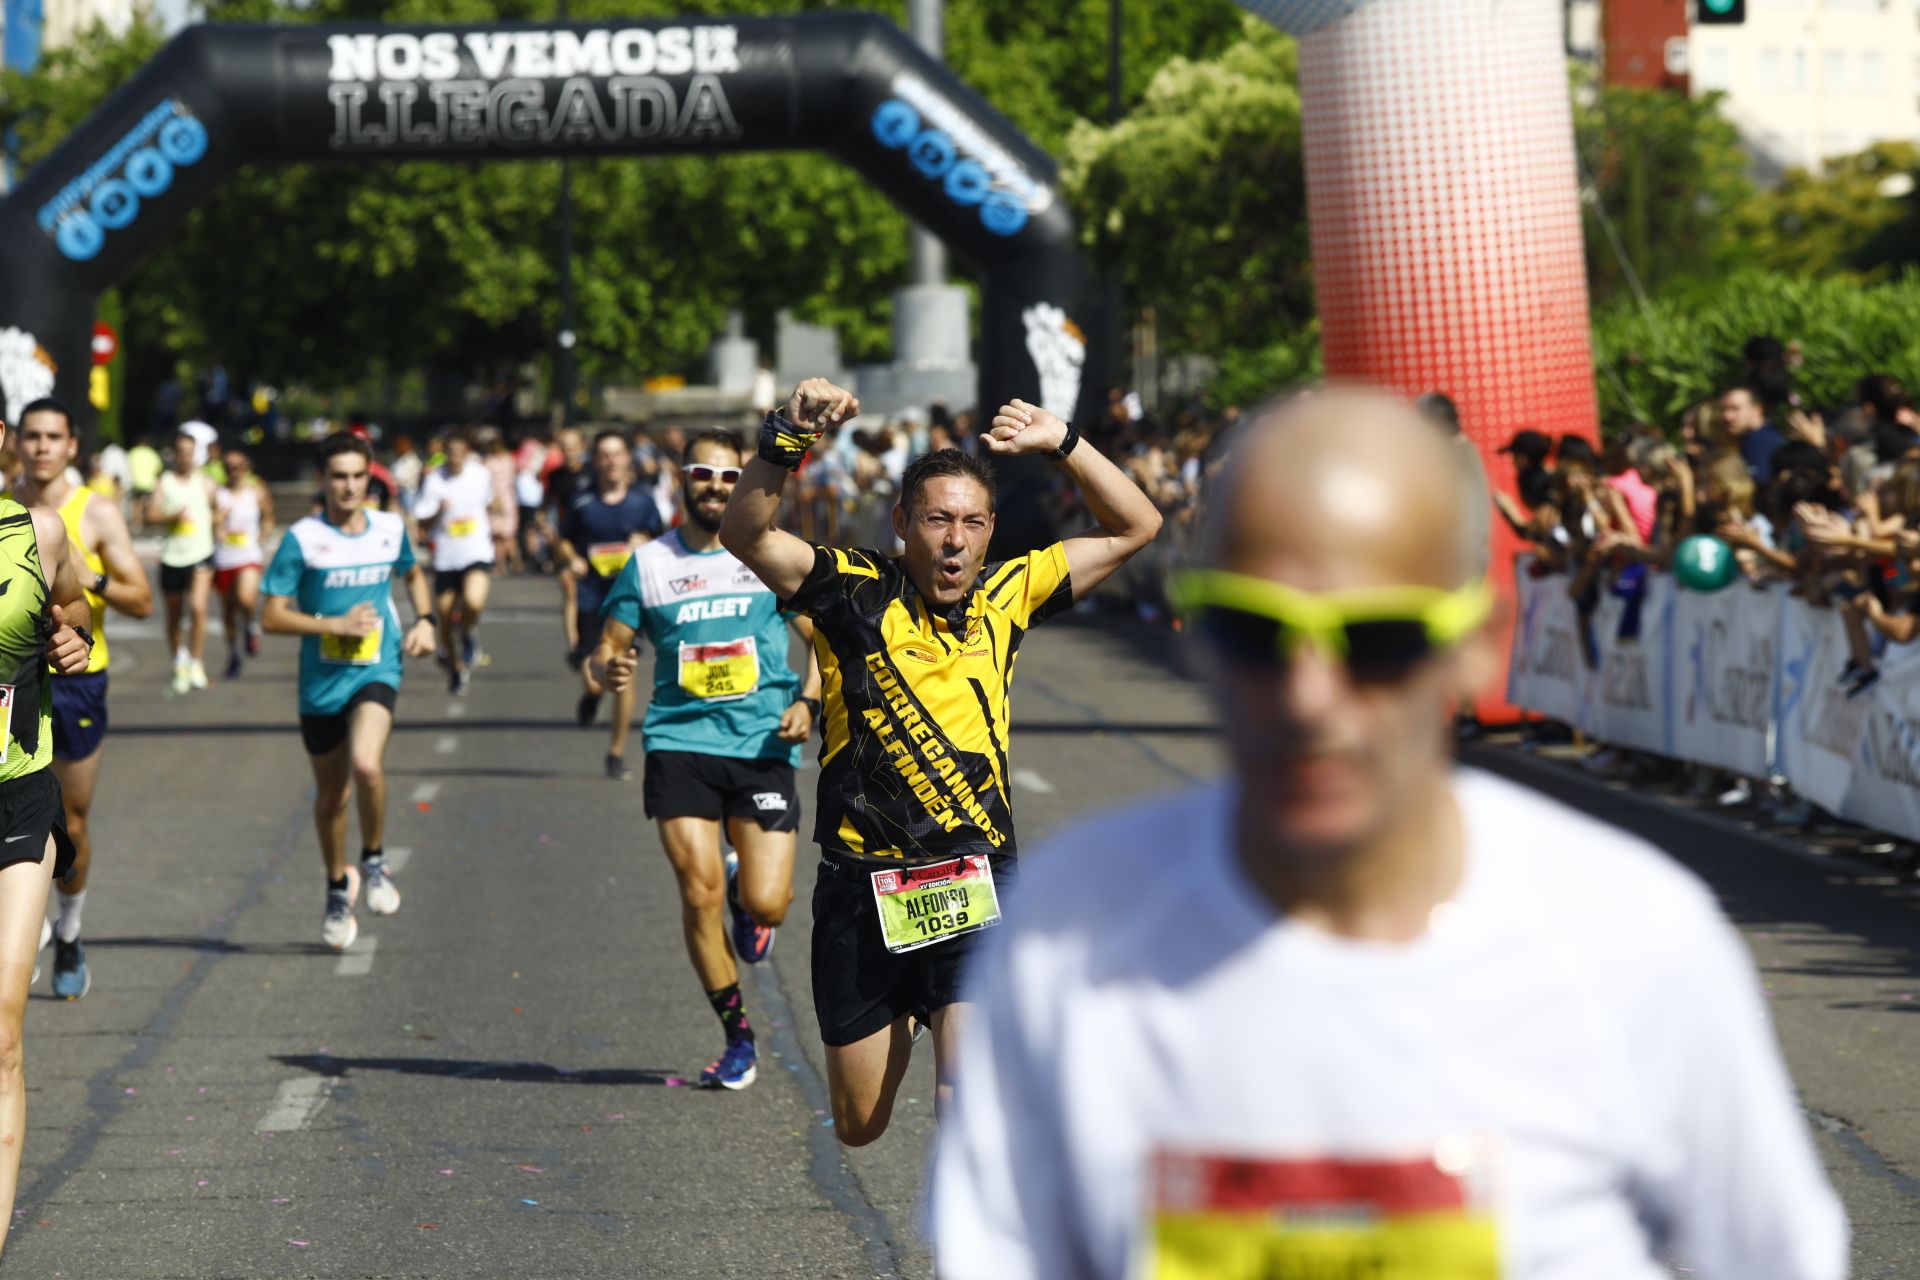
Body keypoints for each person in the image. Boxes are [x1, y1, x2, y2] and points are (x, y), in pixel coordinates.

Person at [929, 388, 1847, 1280]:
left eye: (1376, 641)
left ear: (1476, 643)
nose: (1311, 698)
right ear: (1195, 638)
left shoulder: (1635, 936)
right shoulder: (1074, 924)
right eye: (1257, 634)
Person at [719, 380, 1162, 1144]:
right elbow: (748, 535)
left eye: (971, 522)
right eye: (936, 520)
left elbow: (1137, 525)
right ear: (902, 524)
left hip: (977, 882)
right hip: (864, 888)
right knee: (859, 1124)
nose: (954, 540)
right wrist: (787, 435)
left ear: (991, 532)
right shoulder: (850, 590)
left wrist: (1064, 441)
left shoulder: (1009, 595)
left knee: (968, 1098)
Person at [592, 428, 822, 1089]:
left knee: (769, 903)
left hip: (761, 747)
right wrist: (608, 667)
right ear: (682, 480)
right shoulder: (650, 564)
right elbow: (608, 647)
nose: (716, 487)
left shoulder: (767, 556)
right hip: (679, 744)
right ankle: (737, 1037)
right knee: (698, 895)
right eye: (704, 474)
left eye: (729, 477)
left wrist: (809, 702)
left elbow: (825, 642)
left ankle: (751, 907)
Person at [262, 433, 437, 951]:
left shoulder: (388, 529)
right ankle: (338, 886)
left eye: (358, 475)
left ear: (371, 477)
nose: (349, 486)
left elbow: (412, 573)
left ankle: (375, 860)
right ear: (322, 480)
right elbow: (271, 616)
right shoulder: (303, 539)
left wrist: (425, 620)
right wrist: (330, 623)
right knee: (331, 797)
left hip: (375, 669)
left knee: (367, 764)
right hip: (321, 684)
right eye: (339, 476)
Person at [11, 398, 151, 1001]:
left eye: (53, 437)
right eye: (32, 436)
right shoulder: (9, 511)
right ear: (15, 442)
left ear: (72, 445)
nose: (42, 446)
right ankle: (20, 924)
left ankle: (68, 932)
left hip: (78, 679)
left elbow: (141, 600)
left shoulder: (93, 513)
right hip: (14, 680)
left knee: (72, 819)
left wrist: (81, 572)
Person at [0, 406, 98, 1255]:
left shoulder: (39, 530)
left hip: (17, 789)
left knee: (2, 1023)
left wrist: (73, 640)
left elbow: (75, 614)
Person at [556, 429, 663, 778]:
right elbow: (562, 542)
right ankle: (590, 696)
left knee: (623, 675)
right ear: (595, 460)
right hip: (592, 599)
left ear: (627, 458)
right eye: (604, 454)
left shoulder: (644, 501)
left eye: (617, 453)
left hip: (631, 601)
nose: (611, 460)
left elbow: (664, 544)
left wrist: (644, 544)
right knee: (595, 678)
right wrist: (571, 558)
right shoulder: (582, 502)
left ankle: (615, 753)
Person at [411, 430, 497, 695]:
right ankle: (457, 669)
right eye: (451, 453)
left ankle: (468, 631)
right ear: (444, 453)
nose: (456, 458)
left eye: (461, 452)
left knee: (474, 600)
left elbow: (491, 503)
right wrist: (439, 510)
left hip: (476, 551)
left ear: (467, 452)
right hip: (447, 556)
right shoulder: (434, 480)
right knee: (444, 619)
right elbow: (421, 521)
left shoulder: (480, 474)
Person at [146, 428, 218, 695]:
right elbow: (149, 515)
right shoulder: (164, 482)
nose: (186, 457)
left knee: (199, 608)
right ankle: (179, 660)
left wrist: (220, 523)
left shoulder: (207, 482)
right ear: (174, 454)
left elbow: (216, 509)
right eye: (181, 453)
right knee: (174, 615)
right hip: (173, 556)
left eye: (190, 452)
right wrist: (171, 518)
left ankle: (197, 662)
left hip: (201, 553)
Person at [214, 446, 274, 679]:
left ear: (247, 468)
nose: (233, 471)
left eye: (238, 467)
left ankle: (250, 626)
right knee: (228, 612)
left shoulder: (256, 491)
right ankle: (233, 653)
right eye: (229, 467)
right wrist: (219, 523)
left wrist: (264, 533)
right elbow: (212, 521)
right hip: (224, 557)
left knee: (246, 599)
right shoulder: (218, 494)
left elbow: (269, 514)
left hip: (248, 555)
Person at [1721, 383, 1787, 485]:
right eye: (1724, 409)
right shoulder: (1772, 435)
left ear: (1757, 410)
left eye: (1735, 409)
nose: (1727, 416)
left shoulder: (1758, 441)